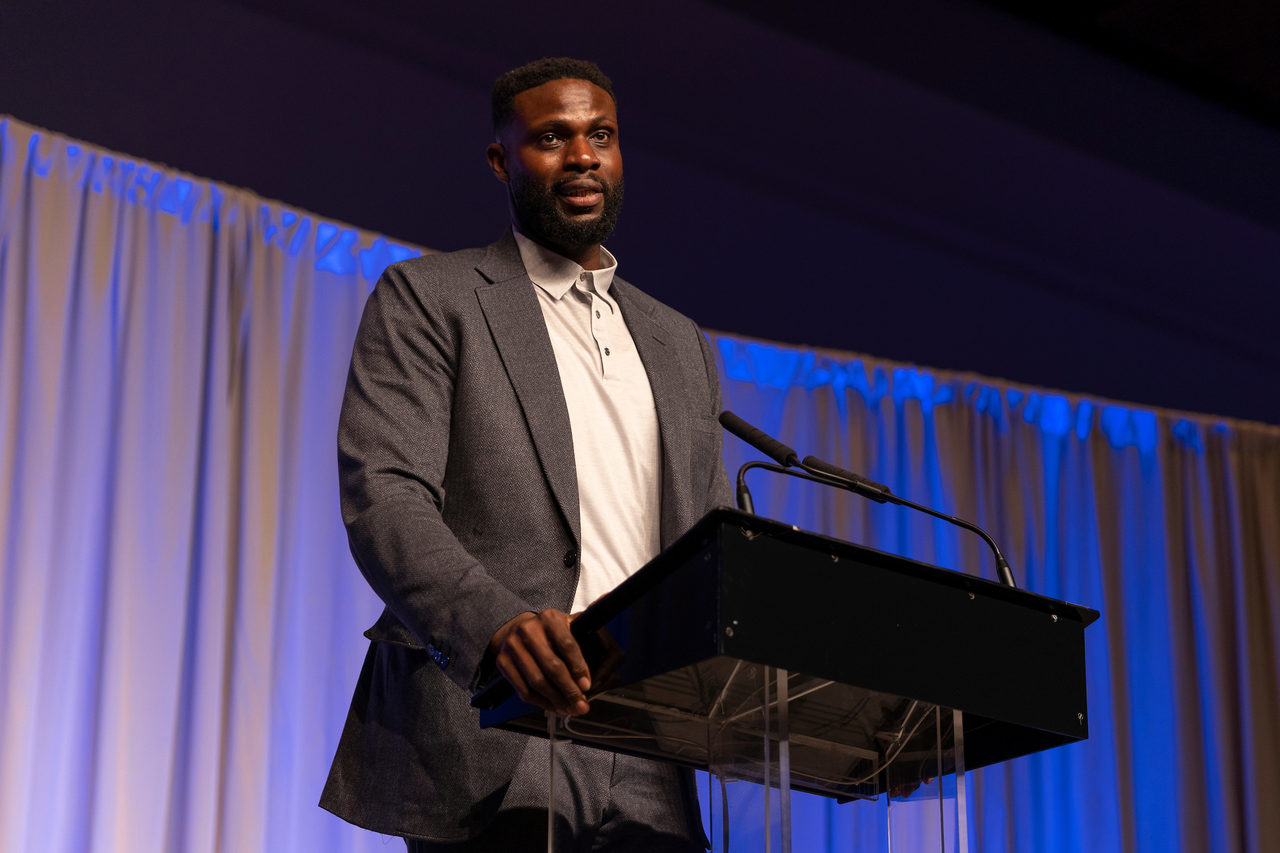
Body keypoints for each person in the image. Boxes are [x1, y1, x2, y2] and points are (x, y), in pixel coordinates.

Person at [320, 57, 732, 851]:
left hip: (652, 741)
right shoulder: (429, 297)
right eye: (552, 137)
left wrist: (847, 727)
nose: (582, 155)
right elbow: (386, 496)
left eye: (601, 136)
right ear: (502, 160)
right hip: (494, 725)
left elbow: (711, 553)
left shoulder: (681, 344)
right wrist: (497, 626)